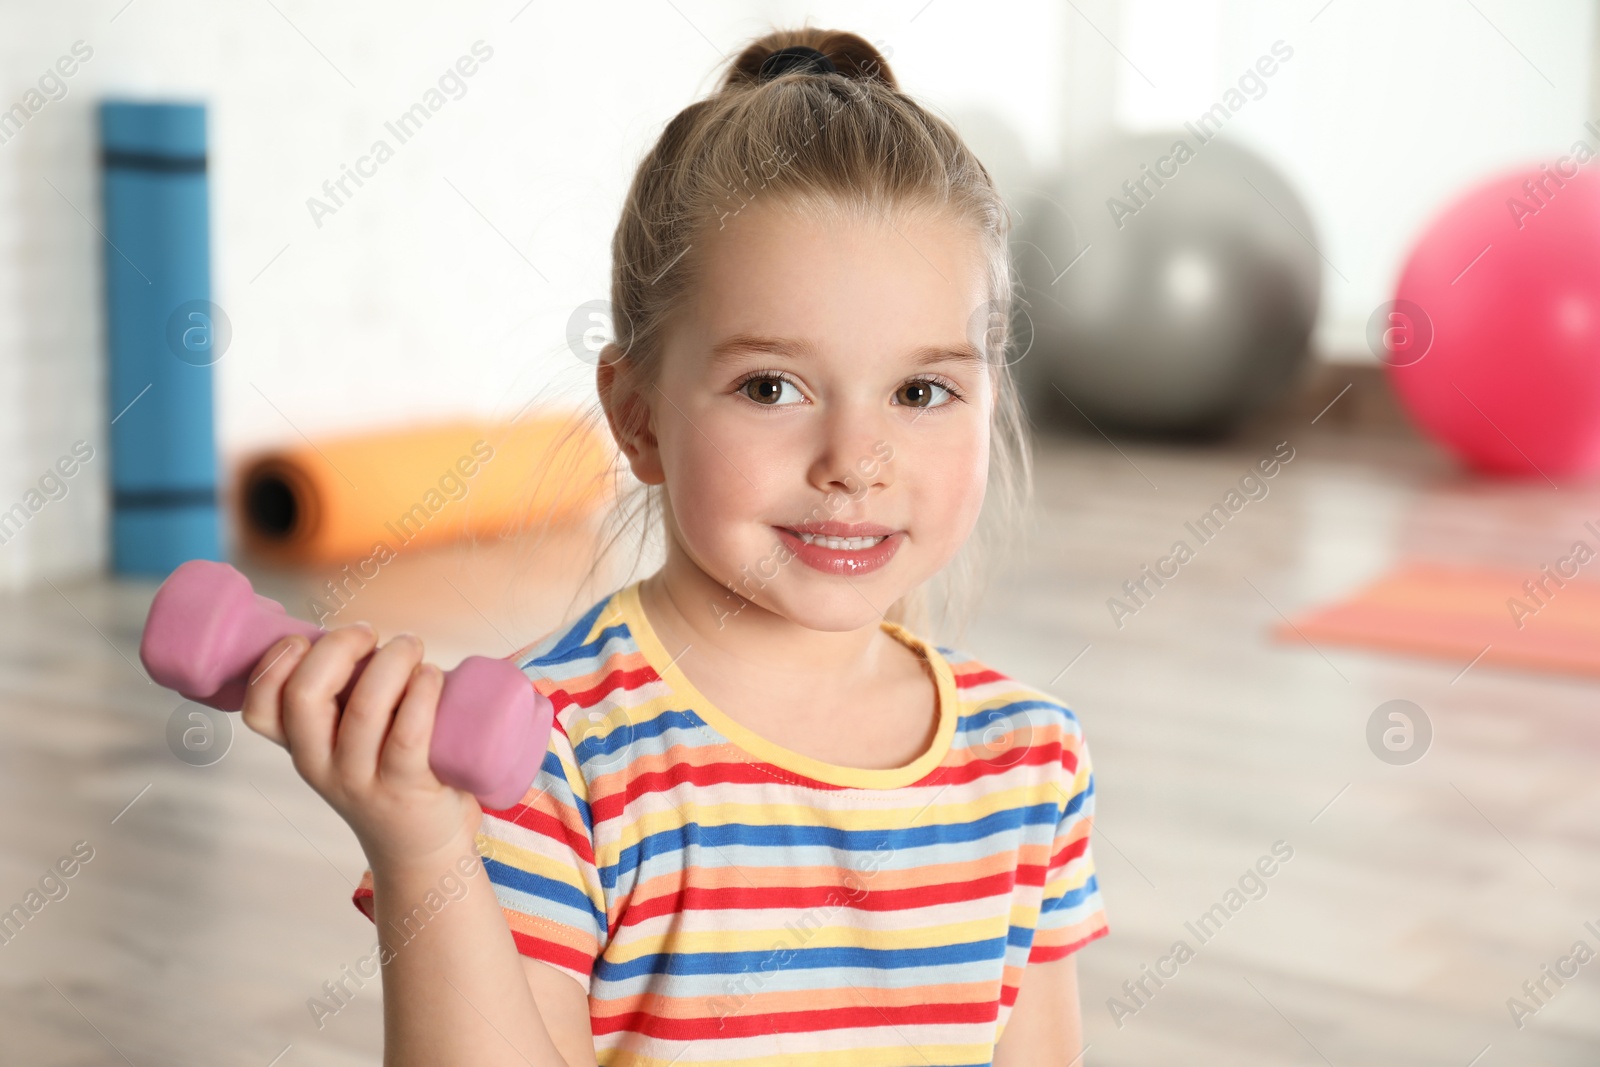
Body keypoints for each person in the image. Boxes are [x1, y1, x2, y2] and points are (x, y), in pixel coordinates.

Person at [241, 26, 1108, 1066]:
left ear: (989, 401)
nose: (853, 460)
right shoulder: (550, 755)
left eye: (921, 391)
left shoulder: (1030, 760)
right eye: (771, 387)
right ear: (640, 414)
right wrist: (425, 846)